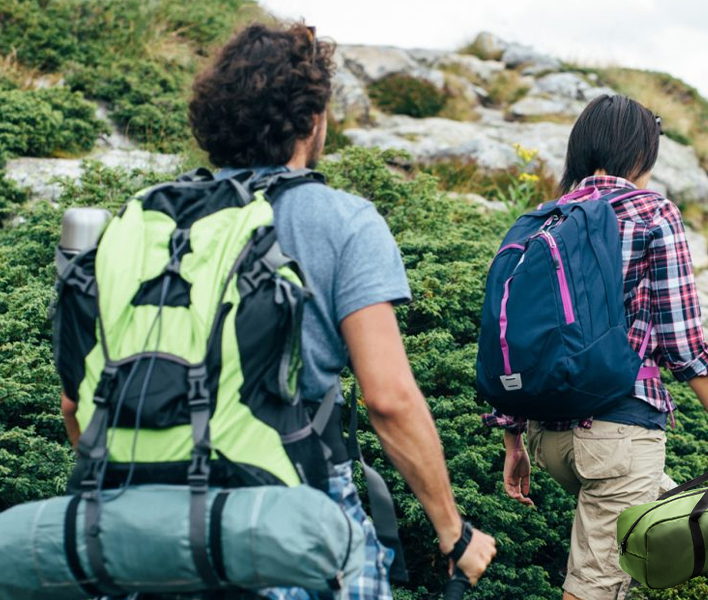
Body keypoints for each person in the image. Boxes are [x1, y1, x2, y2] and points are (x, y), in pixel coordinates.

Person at [57, 22, 497, 598]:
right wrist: (454, 532)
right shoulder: (342, 221)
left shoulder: (150, 221)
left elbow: (77, 400)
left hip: (146, 517)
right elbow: (389, 399)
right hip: (291, 511)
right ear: (311, 121)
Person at [485, 94, 708, 600]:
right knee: (594, 588)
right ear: (641, 152)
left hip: (547, 439)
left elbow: (514, 336)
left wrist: (513, 441)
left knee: (667, 525)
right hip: (617, 436)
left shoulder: (544, 218)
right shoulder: (653, 213)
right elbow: (683, 341)